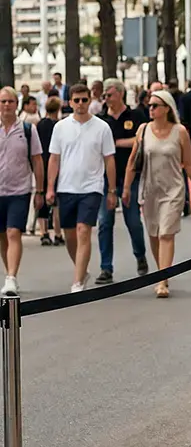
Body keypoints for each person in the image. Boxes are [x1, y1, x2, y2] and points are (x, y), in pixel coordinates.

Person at [123, 89, 191, 298]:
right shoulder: (143, 130)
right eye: (149, 105)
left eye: (155, 105)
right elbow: (133, 161)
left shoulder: (180, 131)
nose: (151, 109)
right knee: (154, 233)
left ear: (167, 108)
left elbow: (189, 162)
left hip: (173, 189)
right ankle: (161, 272)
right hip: (149, 189)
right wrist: (125, 188)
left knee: (166, 232)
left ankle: (162, 280)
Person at [47, 83, 117, 293]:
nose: (80, 104)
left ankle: (77, 282)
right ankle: (82, 269)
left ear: (90, 101)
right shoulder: (60, 127)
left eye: (84, 100)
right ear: (70, 102)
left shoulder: (102, 127)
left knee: (83, 230)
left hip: (92, 187)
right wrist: (49, 187)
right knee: (70, 235)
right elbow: (54, 159)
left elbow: (109, 160)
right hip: (66, 187)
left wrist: (112, 190)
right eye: (76, 100)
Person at [96, 78, 149, 284]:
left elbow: (141, 138)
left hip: (131, 176)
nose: (106, 99)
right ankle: (105, 267)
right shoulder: (101, 119)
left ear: (119, 93)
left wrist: (115, 143)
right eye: (104, 96)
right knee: (104, 222)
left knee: (133, 221)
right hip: (106, 177)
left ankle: (140, 255)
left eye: (109, 95)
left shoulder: (135, 116)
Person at [0, 87, 44, 296]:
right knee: (2, 236)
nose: (6, 105)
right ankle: (9, 271)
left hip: (20, 190)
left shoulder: (27, 129)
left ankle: (11, 277)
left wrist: (40, 190)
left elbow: (37, 159)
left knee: (13, 232)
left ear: (16, 105)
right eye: (3, 101)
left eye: (10, 101)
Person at [36, 96, 63, 246]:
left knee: (42, 196)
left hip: (42, 163)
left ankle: (43, 232)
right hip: (56, 164)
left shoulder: (40, 125)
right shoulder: (59, 126)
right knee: (56, 200)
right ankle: (58, 233)